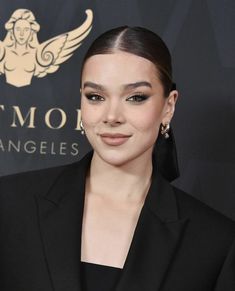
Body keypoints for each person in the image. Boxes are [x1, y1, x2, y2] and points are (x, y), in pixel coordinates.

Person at [0, 26, 235, 291]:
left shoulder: (215, 242)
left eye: (136, 97)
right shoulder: (9, 204)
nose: (112, 116)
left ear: (168, 106)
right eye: (96, 97)